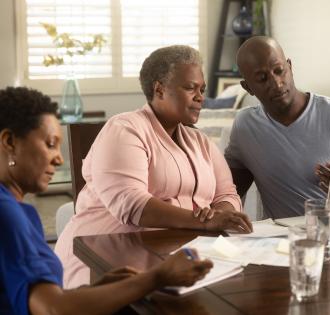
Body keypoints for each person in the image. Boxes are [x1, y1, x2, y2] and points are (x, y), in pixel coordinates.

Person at [0, 86, 213, 315]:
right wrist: (158, 276)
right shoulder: (7, 214)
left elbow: (28, 298)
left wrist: (97, 289)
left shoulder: (13, 209)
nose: (59, 158)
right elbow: (53, 309)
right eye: (50, 144)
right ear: (10, 141)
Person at [55, 45, 252, 289]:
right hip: (103, 260)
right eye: (190, 88)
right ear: (159, 89)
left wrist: (222, 212)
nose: (200, 97)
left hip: (175, 258)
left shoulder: (199, 141)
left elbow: (227, 194)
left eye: (202, 89)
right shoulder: (125, 128)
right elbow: (132, 204)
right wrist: (203, 222)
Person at [225, 36, 330, 219]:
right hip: (280, 241)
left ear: (289, 66)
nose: (276, 83)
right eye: (262, 78)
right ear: (247, 87)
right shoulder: (246, 126)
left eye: (279, 70)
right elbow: (227, 191)